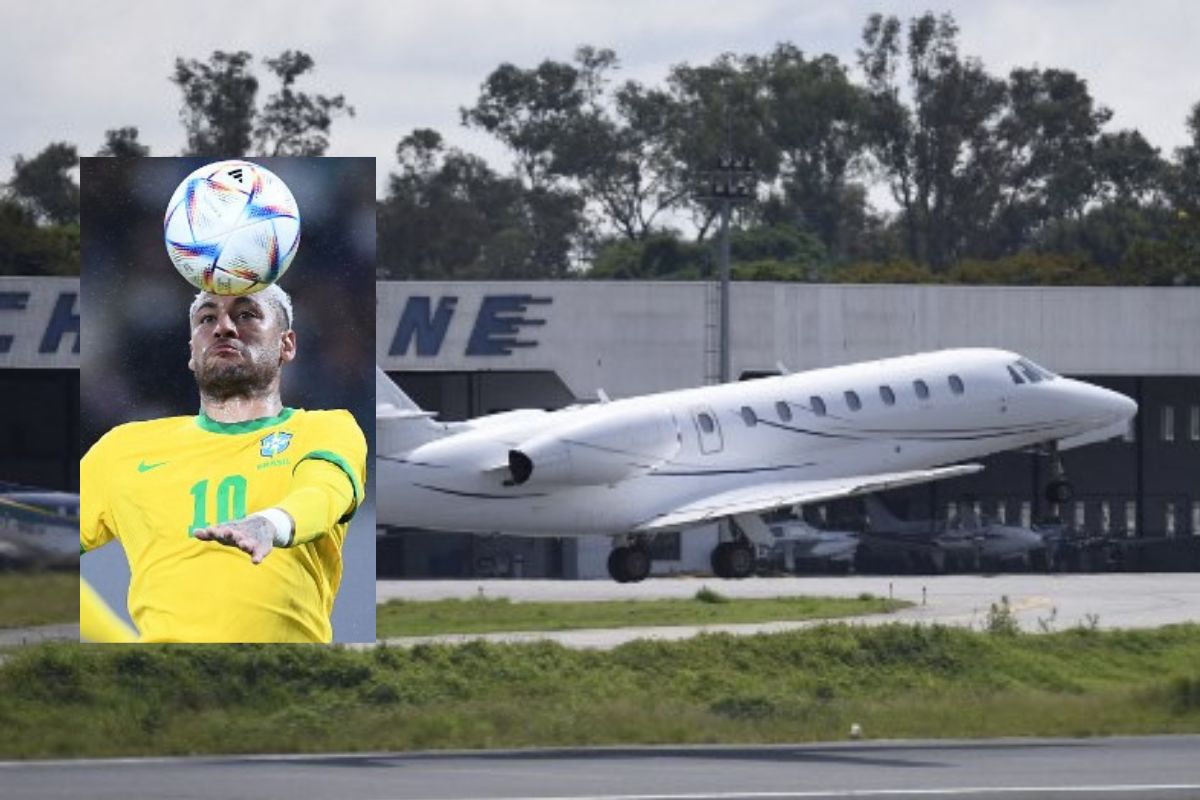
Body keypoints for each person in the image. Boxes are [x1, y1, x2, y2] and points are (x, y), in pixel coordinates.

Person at [80, 285, 367, 643]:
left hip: (290, 686)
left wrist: (271, 524)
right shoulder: (123, 448)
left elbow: (325, 492)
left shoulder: (325, 428)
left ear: (286, 345)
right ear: (191, 352)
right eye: (207, 318)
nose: (224, 327)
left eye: (246, 315)